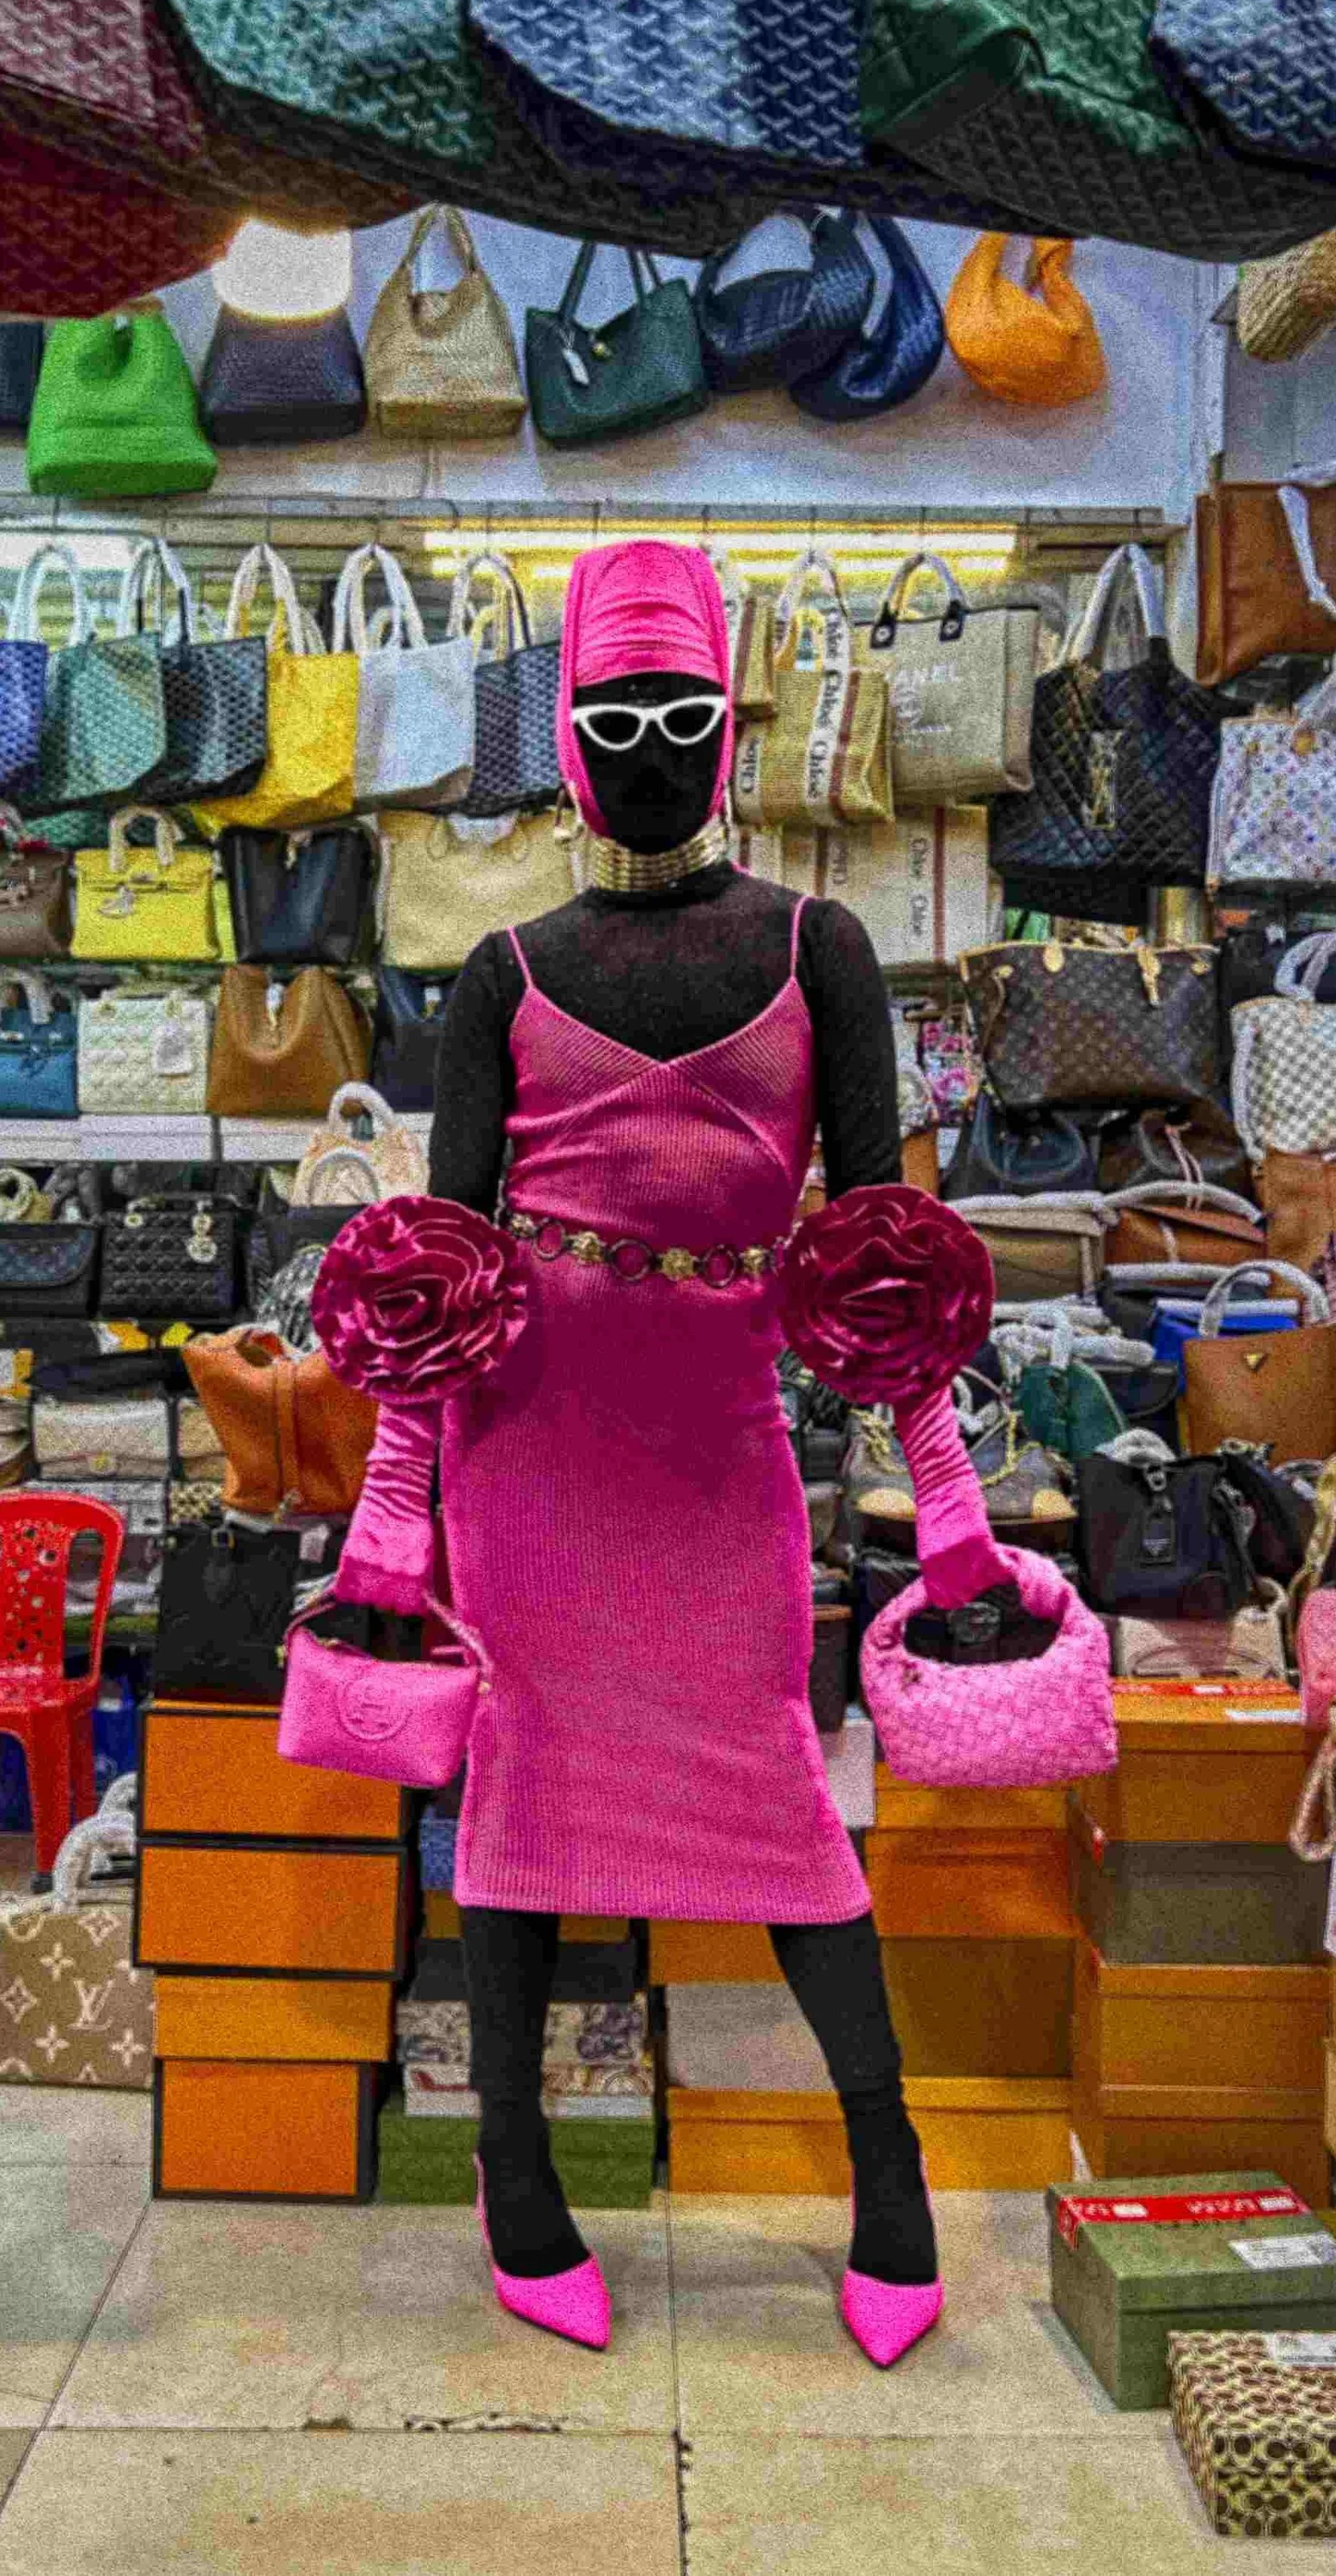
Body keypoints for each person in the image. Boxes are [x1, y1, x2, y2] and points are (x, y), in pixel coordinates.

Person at [326, 539, 1041, 2365]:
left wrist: (943, 1506)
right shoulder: (498, 968)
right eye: (612, 720)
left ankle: (890, 2179)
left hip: (722, 1446)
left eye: (680, 719)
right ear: (566, 740)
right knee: (517, 1807)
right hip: (527, 1451)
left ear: (731, 731)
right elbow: (446, 1266)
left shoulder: (821, 946)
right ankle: (514, 2185)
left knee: (787, 1805)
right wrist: (390, 1522)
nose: (646, 751)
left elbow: (884, 1255)